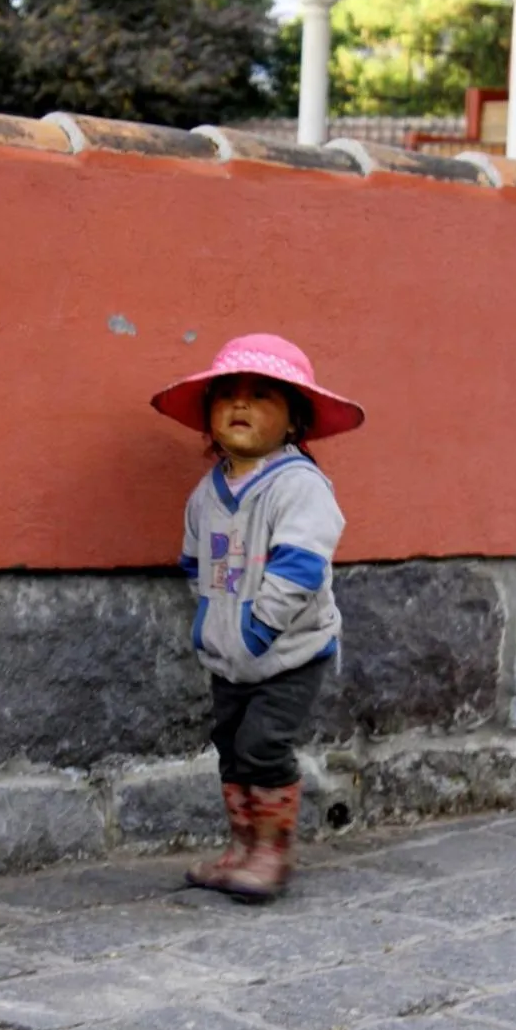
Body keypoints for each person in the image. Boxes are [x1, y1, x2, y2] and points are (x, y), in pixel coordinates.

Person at [150, 333, 364, 902]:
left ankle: (271, 853)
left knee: (263, 745)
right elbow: (195, 562)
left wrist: (259, 627)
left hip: (288, 651)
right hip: (229, 654)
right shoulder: (207, 494)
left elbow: (300, 567)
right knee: (231, 745)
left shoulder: (299, 486)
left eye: (261, 395)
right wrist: (212, 621)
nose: (240, 404)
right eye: (227, 395)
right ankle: (241, 847)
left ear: (294, 420)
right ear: (208, 417)